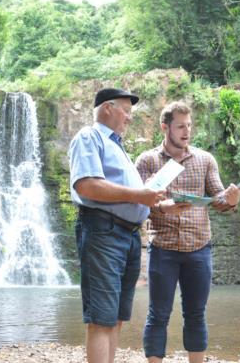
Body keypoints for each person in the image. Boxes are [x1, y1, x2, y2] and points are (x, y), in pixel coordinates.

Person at [135, 101, 240, 363]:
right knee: (158, 314)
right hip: (163, 248)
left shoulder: (205, 159)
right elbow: (136, 204)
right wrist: (162, 208)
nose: (187, 131)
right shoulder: (147, 160)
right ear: (165, 127)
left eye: (189, 126)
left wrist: (231, 199)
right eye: (181, 126)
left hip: (199, 249)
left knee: (196, 313)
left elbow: (218, 198)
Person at [68, 88, 166, 363]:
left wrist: (157, 203)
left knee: (117, 317)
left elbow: (133, 197)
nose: (130, 118)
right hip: (104, 232)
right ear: (107, 108)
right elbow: (87, 186)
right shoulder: (90, 137)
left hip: (128, 235)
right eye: (126, 110)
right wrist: (140, 195)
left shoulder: (117, 146)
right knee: (102, 317)